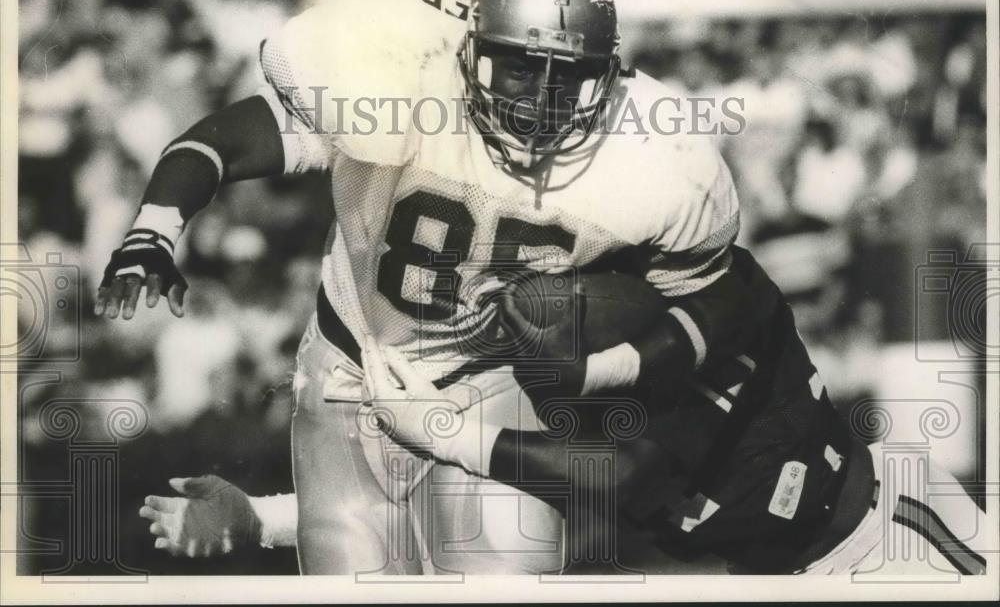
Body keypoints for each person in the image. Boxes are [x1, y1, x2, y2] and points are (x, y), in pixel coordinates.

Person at [101, 0, 739, 574]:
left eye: (567, 75)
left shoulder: (661, 156)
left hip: (495, 375)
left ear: (608, 73)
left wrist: (602, 370)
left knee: (503, 581)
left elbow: (702, 301)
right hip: (353, 370)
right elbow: (227, 139)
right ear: (472, 50)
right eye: (518, 68)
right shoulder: (402, 73)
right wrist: (154, 228)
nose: (540, 99)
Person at [141, 246, 989, 576]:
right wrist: (257, 517)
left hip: (894, 546)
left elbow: (622, 472)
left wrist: (449, 430)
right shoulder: (602, 414)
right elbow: (476, 501)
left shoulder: (735, 344)